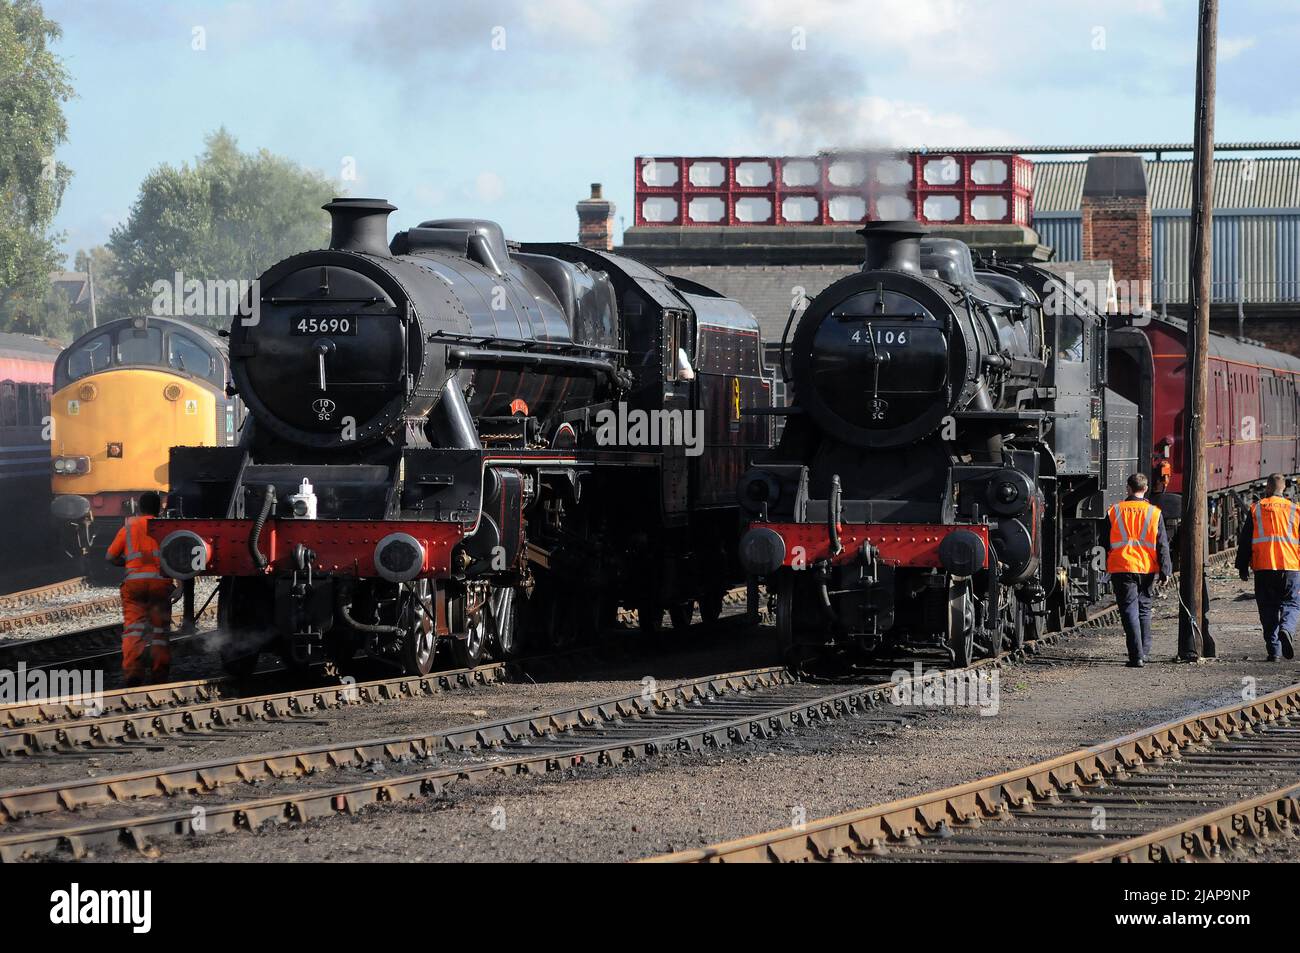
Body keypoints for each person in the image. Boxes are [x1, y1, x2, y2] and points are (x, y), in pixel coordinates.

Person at [106, 492, 174, 685]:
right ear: (159, 508)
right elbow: (176, 559)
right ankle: (159, 676)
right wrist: (180, 586)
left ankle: (133, 675)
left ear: (139, 508)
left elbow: (109, 557)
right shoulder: (165, 528)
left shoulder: (128, 527)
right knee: (160, 632)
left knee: (134, 630)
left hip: (134, 585)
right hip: (160, 584)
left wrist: (128, 563)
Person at [1107, 473, 1173, 668]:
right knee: (1144, 608)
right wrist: (1165, 570)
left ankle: (1136, 656)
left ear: (1128, 488)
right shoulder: (1154, 512)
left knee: (1129, 611)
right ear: (1145, 489)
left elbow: (1104, 540)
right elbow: (1162, 544)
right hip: (1146, 567)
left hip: (1122, 566)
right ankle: (1144, 651)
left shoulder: (1114, 511)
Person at [1236, 473, 1299, 661]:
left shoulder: (1256, 509)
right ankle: (1287, 629)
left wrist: (1242, 566)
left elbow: (1246, 541)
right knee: (1292, 604)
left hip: (1264, 566)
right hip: (1290, 566)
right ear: (1285, 488)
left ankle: (1274, 651)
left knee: (1268, 608)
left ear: (1268, 488)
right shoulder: (1295, 510)